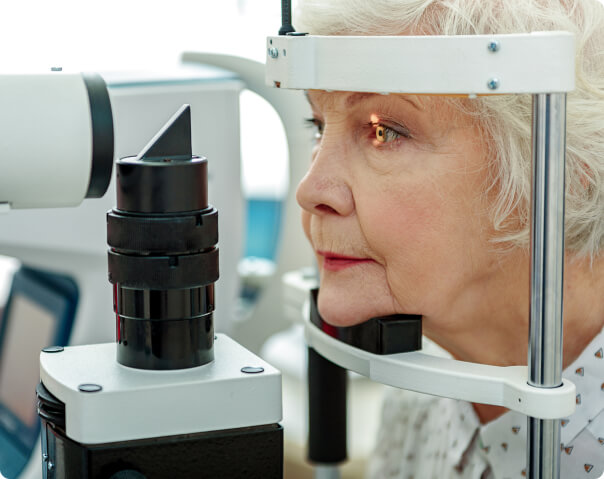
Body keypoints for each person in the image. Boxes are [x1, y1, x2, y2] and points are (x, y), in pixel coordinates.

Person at [293, 0, 604, 477]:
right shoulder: (423, 386)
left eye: (384, 132)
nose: (312, 191)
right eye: (317, 125)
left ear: (564, 168)